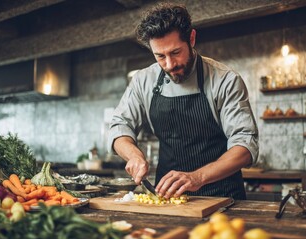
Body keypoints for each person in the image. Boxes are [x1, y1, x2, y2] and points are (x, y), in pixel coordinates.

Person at [107, 3, 258, 200]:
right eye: (160, 56)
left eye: (175, 52)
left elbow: (245, 144)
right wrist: (133, 155)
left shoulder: (225, 80)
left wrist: (198, 177)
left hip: (223, 198)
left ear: (192, 39)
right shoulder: (144, 80)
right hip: (166, 198)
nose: (169, 65)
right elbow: (119, 126)